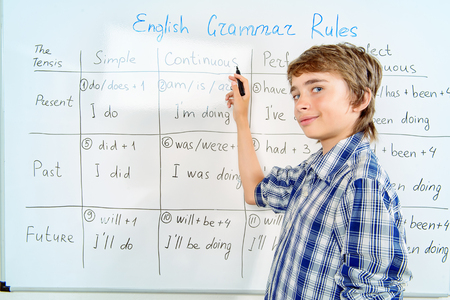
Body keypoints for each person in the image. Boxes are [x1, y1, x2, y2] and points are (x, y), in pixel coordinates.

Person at [225, 43, 412, 299]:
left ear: (360, 98)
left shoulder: (361, 183)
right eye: (296, 95)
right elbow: (254, 190)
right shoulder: (313, 171)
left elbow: (373, 293)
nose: (301, 104)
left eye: (317, 88)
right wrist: (241, 119)